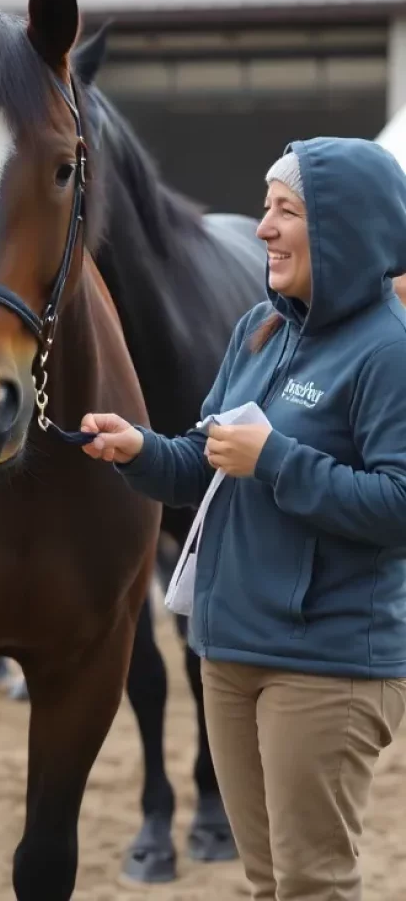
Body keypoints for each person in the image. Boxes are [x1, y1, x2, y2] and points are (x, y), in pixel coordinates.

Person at [81, 137, 406, 901]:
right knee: (265, 883)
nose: (262, 227)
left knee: (312, 885)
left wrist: (277, 461)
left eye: (285, 211)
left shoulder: (389, 354)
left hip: (327, 664)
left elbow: (398, 505)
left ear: (345, 230)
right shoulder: (257, 329)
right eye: (265, 208)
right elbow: (206, 459)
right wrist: (139, 451)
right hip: (228, 649)